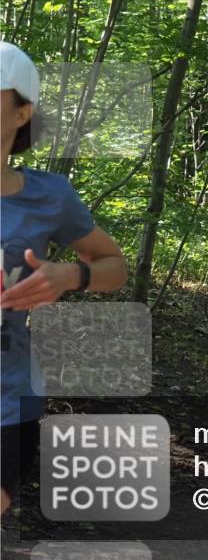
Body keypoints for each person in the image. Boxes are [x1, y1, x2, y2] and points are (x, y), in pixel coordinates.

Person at [0, 42, 128, 514]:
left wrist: (70, 275)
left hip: (7, 401)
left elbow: (114, 266)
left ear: (22, 113)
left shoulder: (49, 197)